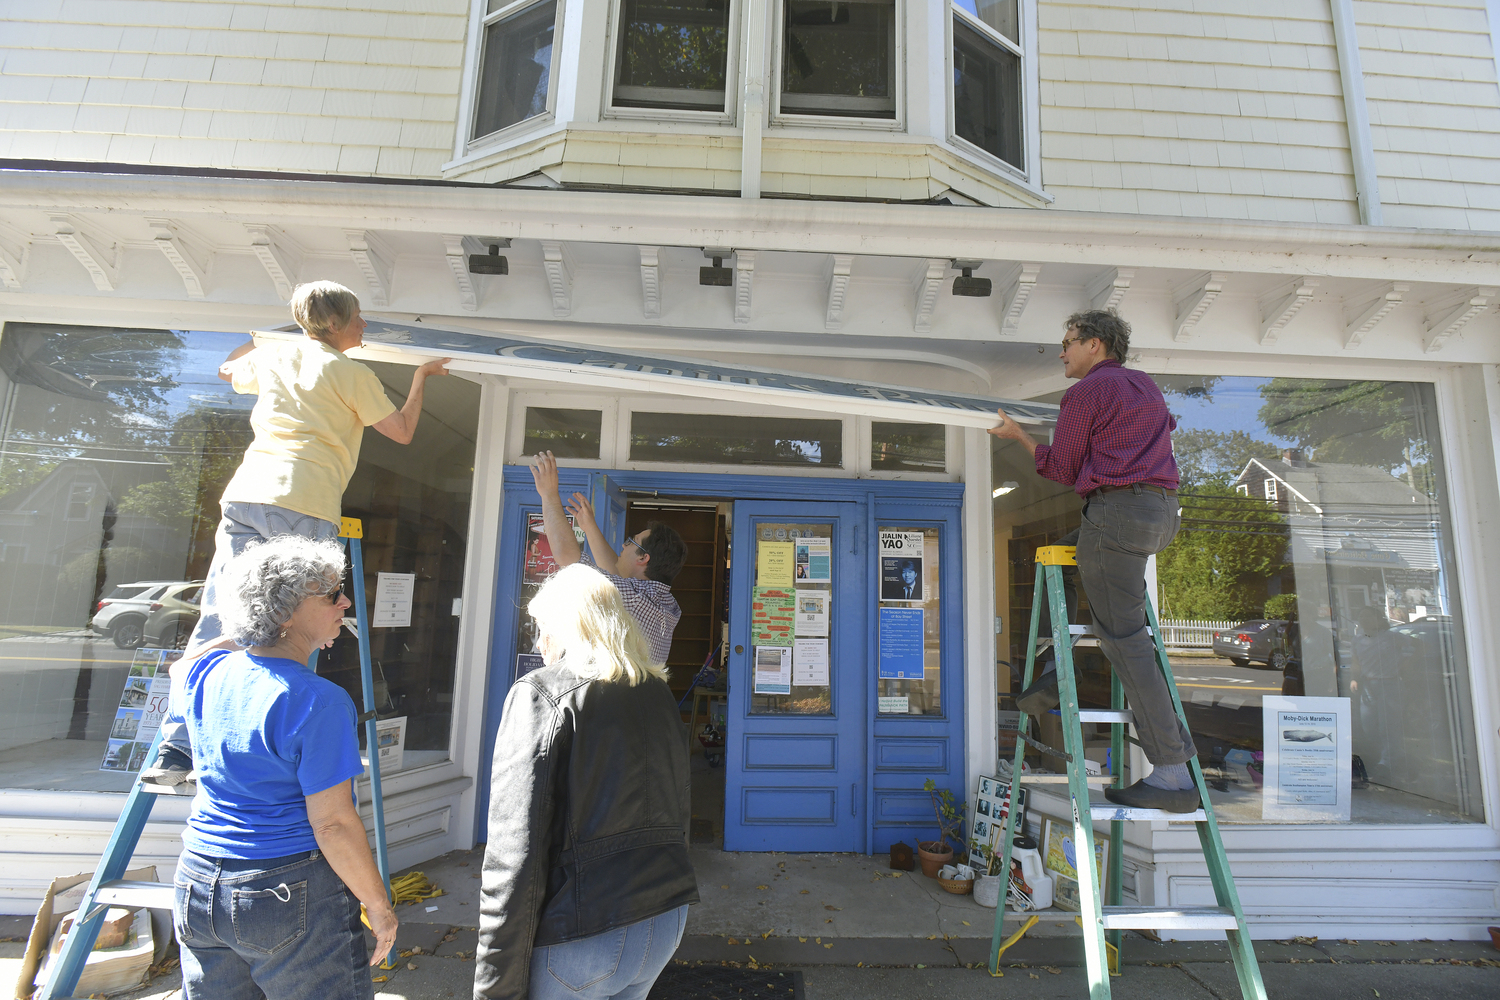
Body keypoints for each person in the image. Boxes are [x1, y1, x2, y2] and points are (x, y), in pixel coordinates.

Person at [143, 280, 449, 785]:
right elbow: (401, 431)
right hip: (304, 502)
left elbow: (226, 366)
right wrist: (420, 378)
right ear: (335, 323)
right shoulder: (349, 372)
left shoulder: (275, 357)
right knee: (302, 625)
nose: (365, 325)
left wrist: (276, 335)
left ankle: (176, 748)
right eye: (358, 318)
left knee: (221, 614)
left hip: (247, 495)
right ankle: (275, 742)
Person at [169, 535, 398, 999]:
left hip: (197, 882)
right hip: (285, 890)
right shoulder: (318, 701)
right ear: (287, 609)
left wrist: (256, 623)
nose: (346, 601)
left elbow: (181, 666)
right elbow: (332, 824)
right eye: (332, 594)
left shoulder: (206, 672)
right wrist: (378, 904)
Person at [989, 309, 1198, 813]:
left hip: (1118, 513)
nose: (1061, 352)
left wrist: (1019, 437)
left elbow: (1061, 467)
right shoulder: (1144, 386)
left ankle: (1170, 772)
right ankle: (1050, 679)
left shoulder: (1085, 393)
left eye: (1067, 343)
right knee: (1065, 554)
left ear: (1095, 345)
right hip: (1160, 511)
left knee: (1125, 642)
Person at [475, 563, 698, 999]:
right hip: (664, 918)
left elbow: (513, 852)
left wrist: (493, 987)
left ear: (567, 625)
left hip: (585, 928)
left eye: (541, 627)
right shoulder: (658, 692)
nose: (538, 643)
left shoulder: (541, 693)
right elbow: (680, 811)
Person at [528, 451, 686, 665]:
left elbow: (569, 560)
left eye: (631, 541)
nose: (623, 544)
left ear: (643, 558)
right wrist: (589, 526)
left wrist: (549, 495)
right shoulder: (666, 604)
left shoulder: (635, 599)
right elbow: (616, 576)